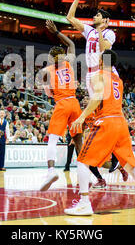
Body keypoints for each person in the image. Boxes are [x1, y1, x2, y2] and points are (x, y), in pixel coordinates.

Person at [64, 50, 135, 215]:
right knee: (130, 166)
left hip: (107, 121)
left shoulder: (99, 74)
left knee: (82, 161)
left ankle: (84, 203)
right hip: (120, 123)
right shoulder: (119, 80)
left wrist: (81, 117)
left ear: (101, 60)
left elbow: (97, 97)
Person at [66, 0, 128, 186]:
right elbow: (69, 17)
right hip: (90, 73)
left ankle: (119, 157)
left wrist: (101, 29)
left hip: (106, 70)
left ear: (106, 20)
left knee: (109, 112)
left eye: (98, 16)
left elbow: (104, 49)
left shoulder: (109, 32)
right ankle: (115, 158)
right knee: (99, 115)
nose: (94, 17)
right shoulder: (88, 31)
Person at [37, 20, 84, 191]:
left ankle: (51, 171)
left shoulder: (46, 71)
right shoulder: (69, 63)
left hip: (62, 103)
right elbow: (71, 43)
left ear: (50, 58)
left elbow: (48, 92)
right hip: (75, 103)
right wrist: (56, 32)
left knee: (53, 139)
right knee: (78, 140)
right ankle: (84, 172)